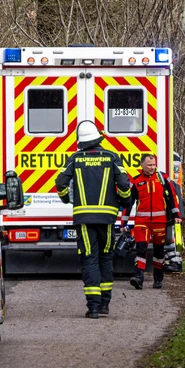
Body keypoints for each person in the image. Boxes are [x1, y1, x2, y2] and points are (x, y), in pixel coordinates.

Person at [55, 121, 132, 319]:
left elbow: (61, 183)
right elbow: (124, 185)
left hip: (84, 219)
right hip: (107, 219)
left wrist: (66, 198)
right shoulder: (111, 157)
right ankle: (105, 304)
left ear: (81, 141)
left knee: (89, 259)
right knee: (106, 258)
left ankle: (94, 307)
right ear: (98, 138)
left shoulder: (75, 158)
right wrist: (125, 201)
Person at [124, 154, 182, 290]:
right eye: (149, 165)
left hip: (159, 222)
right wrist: (124, 223)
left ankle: (158, 279)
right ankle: (138, 277)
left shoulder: (162, 178)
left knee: (159, 251)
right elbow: (128, 204)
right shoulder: (136, 181)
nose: (152, 167)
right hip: (141, 222)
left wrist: (176, 215)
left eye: (154, 165)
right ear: (142, 165)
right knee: (141, 248)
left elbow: (172, 198)